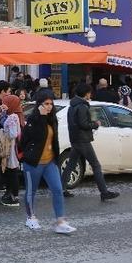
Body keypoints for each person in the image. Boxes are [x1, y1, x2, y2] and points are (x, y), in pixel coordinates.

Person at [21, 94, 76, 234]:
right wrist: (40, 116)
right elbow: (28, 138)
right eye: (46, 104)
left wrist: (56, 158)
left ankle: (60, 221)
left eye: (50, 104)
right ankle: (31, 217)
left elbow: (54, 140)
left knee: (57, 189)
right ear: (39, 105)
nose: (49, 106)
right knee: (31, 191)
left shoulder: (52, 119)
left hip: (50, 161)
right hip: (34, 163)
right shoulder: (33, 120)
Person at [61, 83, 119, 201]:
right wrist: (95, 124)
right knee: (96, 165)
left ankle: (61, 189)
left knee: (71, 164)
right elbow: (83, 124)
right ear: (86, 93)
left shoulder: (72, 105)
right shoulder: (82, 106)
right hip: (83, 140)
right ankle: (104, 192)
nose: (90, 95)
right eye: (89, 93)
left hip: (75, 139)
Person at [0, 94, 23, 207]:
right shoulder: (13, 115)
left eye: (5, 103)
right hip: (11, 147)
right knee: (11, 171)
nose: (3, 105)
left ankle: (14, 197)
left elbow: (12, 134)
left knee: (12, 172)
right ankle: (11, 194)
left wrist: (3, 132)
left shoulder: (12, 117)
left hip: (11, 147)